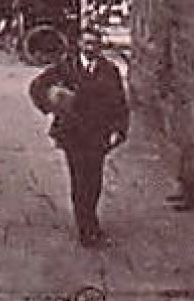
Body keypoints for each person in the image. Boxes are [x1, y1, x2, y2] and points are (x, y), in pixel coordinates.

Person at [27, 30, 130, 247]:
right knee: (79, 179)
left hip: (98, 133)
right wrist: (51, 105)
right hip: (72, 133)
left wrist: (121, 129)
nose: (91, 48)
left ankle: (90, 218)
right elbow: (37, 87)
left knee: (94, 181)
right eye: (86, 43)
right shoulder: (66, 68)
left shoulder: (109, 70)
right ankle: (86, 228)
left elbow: (120, 101)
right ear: (80, 44)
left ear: (100, 47)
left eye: (95, 44)